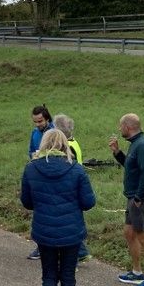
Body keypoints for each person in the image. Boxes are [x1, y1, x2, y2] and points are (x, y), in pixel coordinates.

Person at [20, 129, 96, 286]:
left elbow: (27, 201)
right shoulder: (76, 169)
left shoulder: (31, 168)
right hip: (71, 231)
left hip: (44, 230)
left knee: (49, 275)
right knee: (68, 278)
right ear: (65, 145)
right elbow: (89, 202)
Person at [109, 113, 144, 286]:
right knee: (129, 233)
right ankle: (137, 272)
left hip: (142, 198)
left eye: (121, 126)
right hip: (133, 197)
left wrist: (138, 198)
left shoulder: (143, 146)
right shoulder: (135, 144)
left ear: (128, 127)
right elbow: (131, 167)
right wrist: (117, 153)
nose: (119, 129)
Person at [52, 113, 92, 265]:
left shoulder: (67, 147)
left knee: (68, 223)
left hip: (71, 187)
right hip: (77, 185)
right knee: (72, 221)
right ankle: (81, 252)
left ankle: (74, 257)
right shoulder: (74, 142)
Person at [26, 105, 53, 258]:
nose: (38, 124)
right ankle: (41, 246)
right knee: (39, 213)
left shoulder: (55, 132)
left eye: (40, 121)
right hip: (38, 175)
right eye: (35, 122)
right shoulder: (35, 133)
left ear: (47, 118)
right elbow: (30, 151)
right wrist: (34, 157)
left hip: (52, 176)